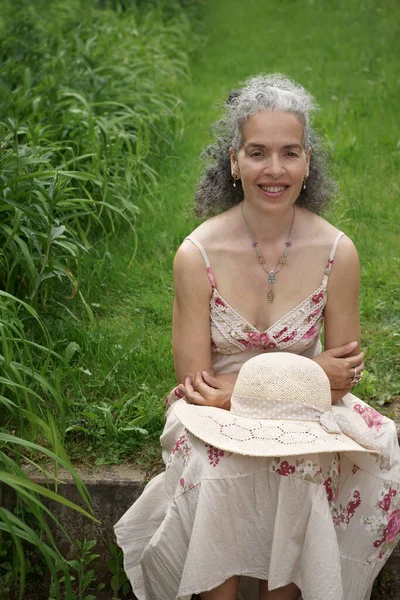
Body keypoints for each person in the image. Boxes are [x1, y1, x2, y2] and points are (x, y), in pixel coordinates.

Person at [114, 74, 400, 600]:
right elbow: (197, 388)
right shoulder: (195, 255)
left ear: (308, 162)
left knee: (305, 464)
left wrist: (255, 386)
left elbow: (342, 379)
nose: (274, 170)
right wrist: (305, 374)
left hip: (307, 413)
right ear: (233, 160)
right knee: (214, 462)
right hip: (214, 415)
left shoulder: (339, 252)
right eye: (258, 152)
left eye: (290, 153)